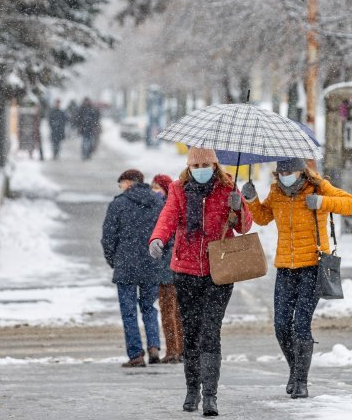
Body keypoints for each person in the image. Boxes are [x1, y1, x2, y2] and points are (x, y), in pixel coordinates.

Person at [241, 159, 352, 399]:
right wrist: (251, 200)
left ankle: (301, 382)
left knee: (301, 324)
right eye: (280, 171)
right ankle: (296, 370)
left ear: (300, 171)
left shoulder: (318, 187)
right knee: (281, 325)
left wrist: (322, 202)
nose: (284, 175)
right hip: (285, 266)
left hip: (313, 266)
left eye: (289, 171)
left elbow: (350, 204)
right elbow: (263, 218)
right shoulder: (276, 191)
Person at [148, 147, 252, 416]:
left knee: (210, 332)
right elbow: (168, 217)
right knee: (191, 333)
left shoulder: (228, 187)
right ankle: (192, 389)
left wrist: (239, 207)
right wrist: (158, 238)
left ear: (215, 165)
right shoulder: (178, 189)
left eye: (207, 163)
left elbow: (244, 226)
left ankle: (210, 396)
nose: (202, 168)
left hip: (219, 271)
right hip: (185, 270)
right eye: (197, 165)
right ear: (189, 167)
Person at [101, 169, 165, 368]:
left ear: (128, 183)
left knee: (129, 311)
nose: (121, 187)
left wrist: (114, 260)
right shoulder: (156, 203)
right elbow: (166, 232)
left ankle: (136, 354)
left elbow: (108, 238)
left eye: (121, 184)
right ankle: (154, 347)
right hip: (151, 263)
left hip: (126, 265)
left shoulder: (118, 204)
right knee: (149, 308)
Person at [151, 174, 183, 364]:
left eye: (157, 187)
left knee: (168, 309)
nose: (154, 190)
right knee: (178, 310)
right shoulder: (172, 205)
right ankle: (181, 348)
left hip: (167, 267)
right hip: (176, 265)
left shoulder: (163, 208)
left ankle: (173, 350)